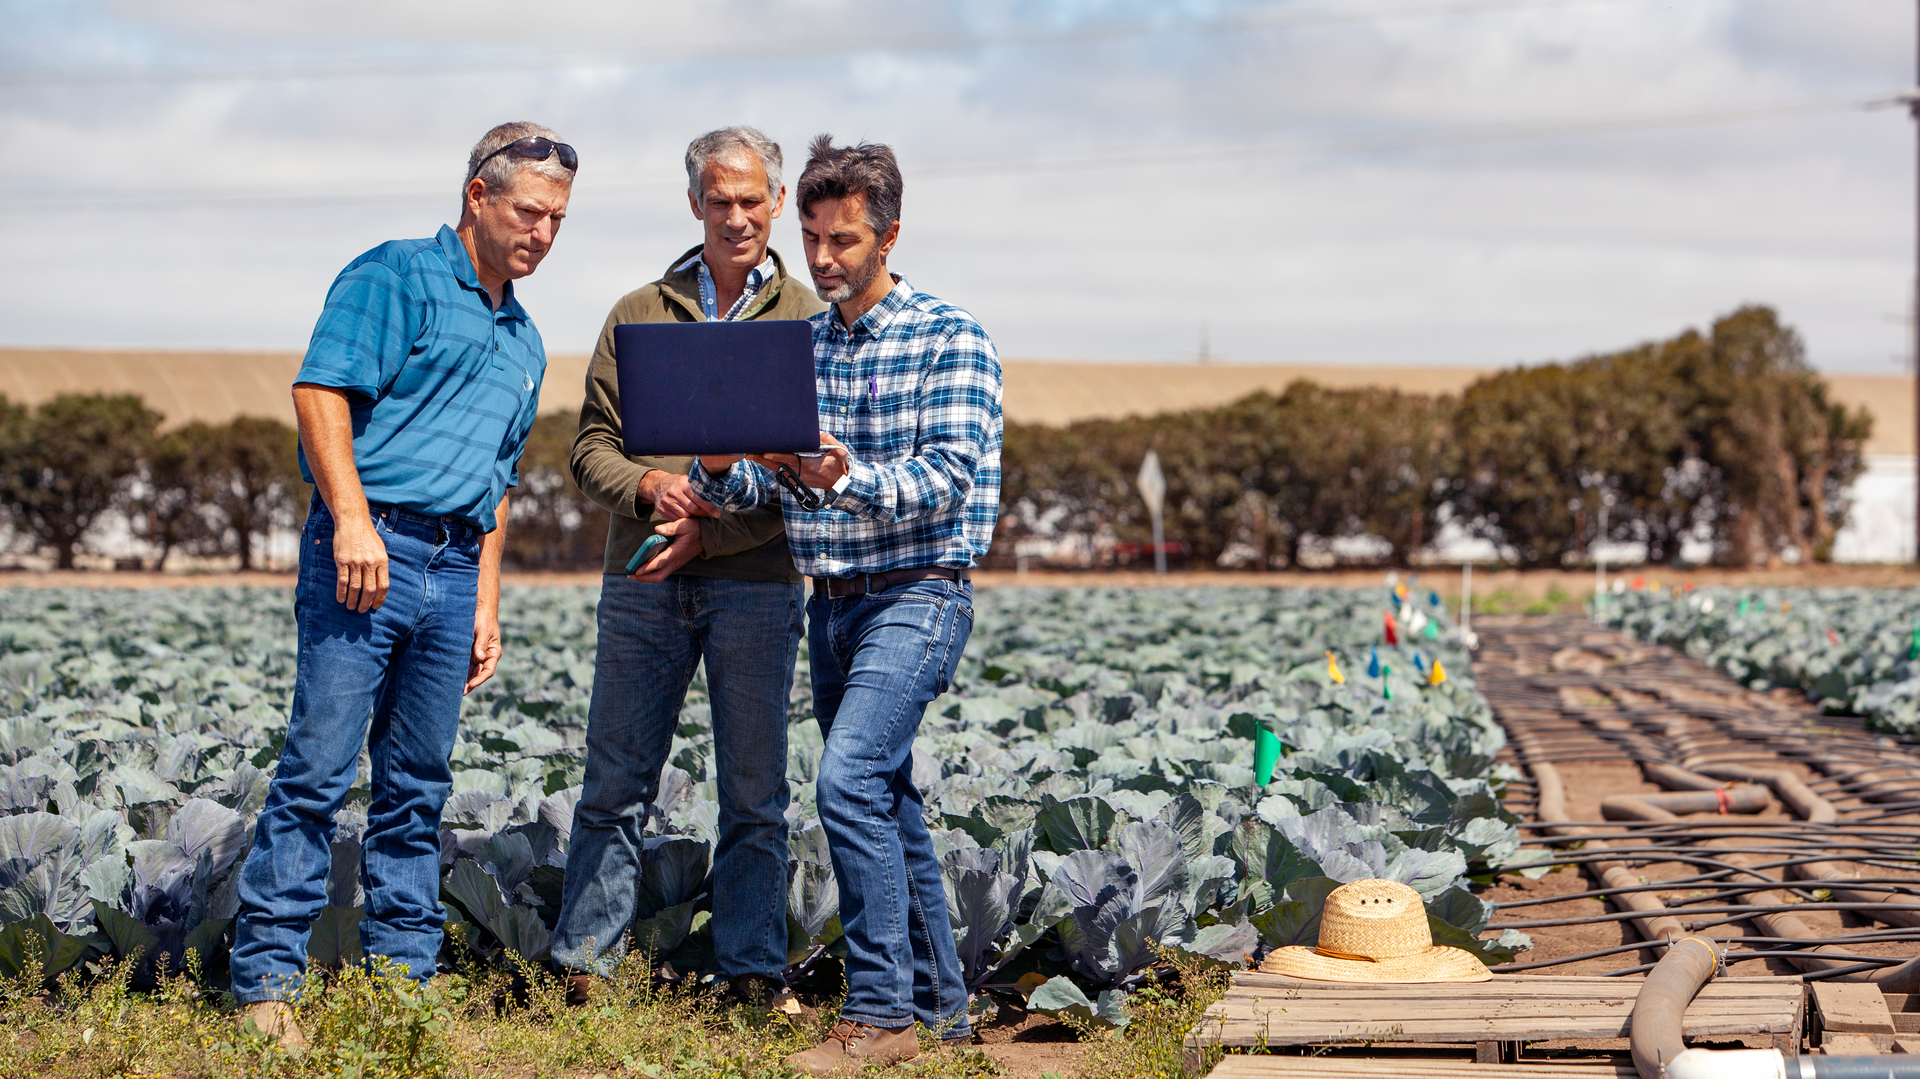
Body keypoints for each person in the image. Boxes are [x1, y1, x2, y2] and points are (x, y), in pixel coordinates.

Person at [230, 122, 575, 1047]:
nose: (543, 233)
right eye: (530, 212)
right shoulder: (395, 276)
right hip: (367, 552)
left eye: (558, 220)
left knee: (418, 786)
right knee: (317, 770)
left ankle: (403, 989)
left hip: (456, 568)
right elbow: (320, 393)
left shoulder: (527, 338)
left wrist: (487, 598)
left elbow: (498, 485)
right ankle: (268, 984)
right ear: (478, 196)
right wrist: (349, 518)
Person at [691, 134, 1003, 1075]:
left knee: (848, 781)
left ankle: (877, 1015)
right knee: (891, 800)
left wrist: (849, 473)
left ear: (890, 235)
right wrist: (718, 468)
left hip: (919, 594)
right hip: (830, 605)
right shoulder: (801, 347)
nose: (823, 260)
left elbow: (948, 477)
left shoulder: (952, 336)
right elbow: (762, 486)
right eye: (815, 238)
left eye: (846, 241)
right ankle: (944, 1009)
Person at [552, 127, 825, 1013]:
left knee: (754, 789)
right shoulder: (637, 312)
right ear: (695, 204)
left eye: (753, 199)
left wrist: (709, 537)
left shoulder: (811, 322)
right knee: (615, 779)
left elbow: (809, 481)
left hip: (758, 586)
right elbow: (590, 447)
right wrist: (651, 488)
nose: (736, 215)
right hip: (641, 579)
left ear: (777, 203)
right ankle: (584, 969)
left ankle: (751, 970)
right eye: (719, 199)